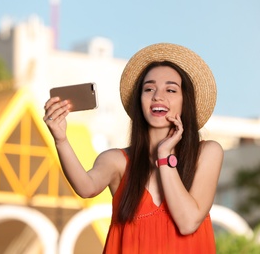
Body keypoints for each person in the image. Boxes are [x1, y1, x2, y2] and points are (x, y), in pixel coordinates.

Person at [43, 43, 224, 253]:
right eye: (149, 89)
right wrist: (61, 140)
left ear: (186, 102)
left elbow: (188, 222)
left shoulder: (207, 153)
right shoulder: (116, 161)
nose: (157, 96)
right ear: (140, 101)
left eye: (171, 89)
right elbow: (86, 187)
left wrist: (164, 156)